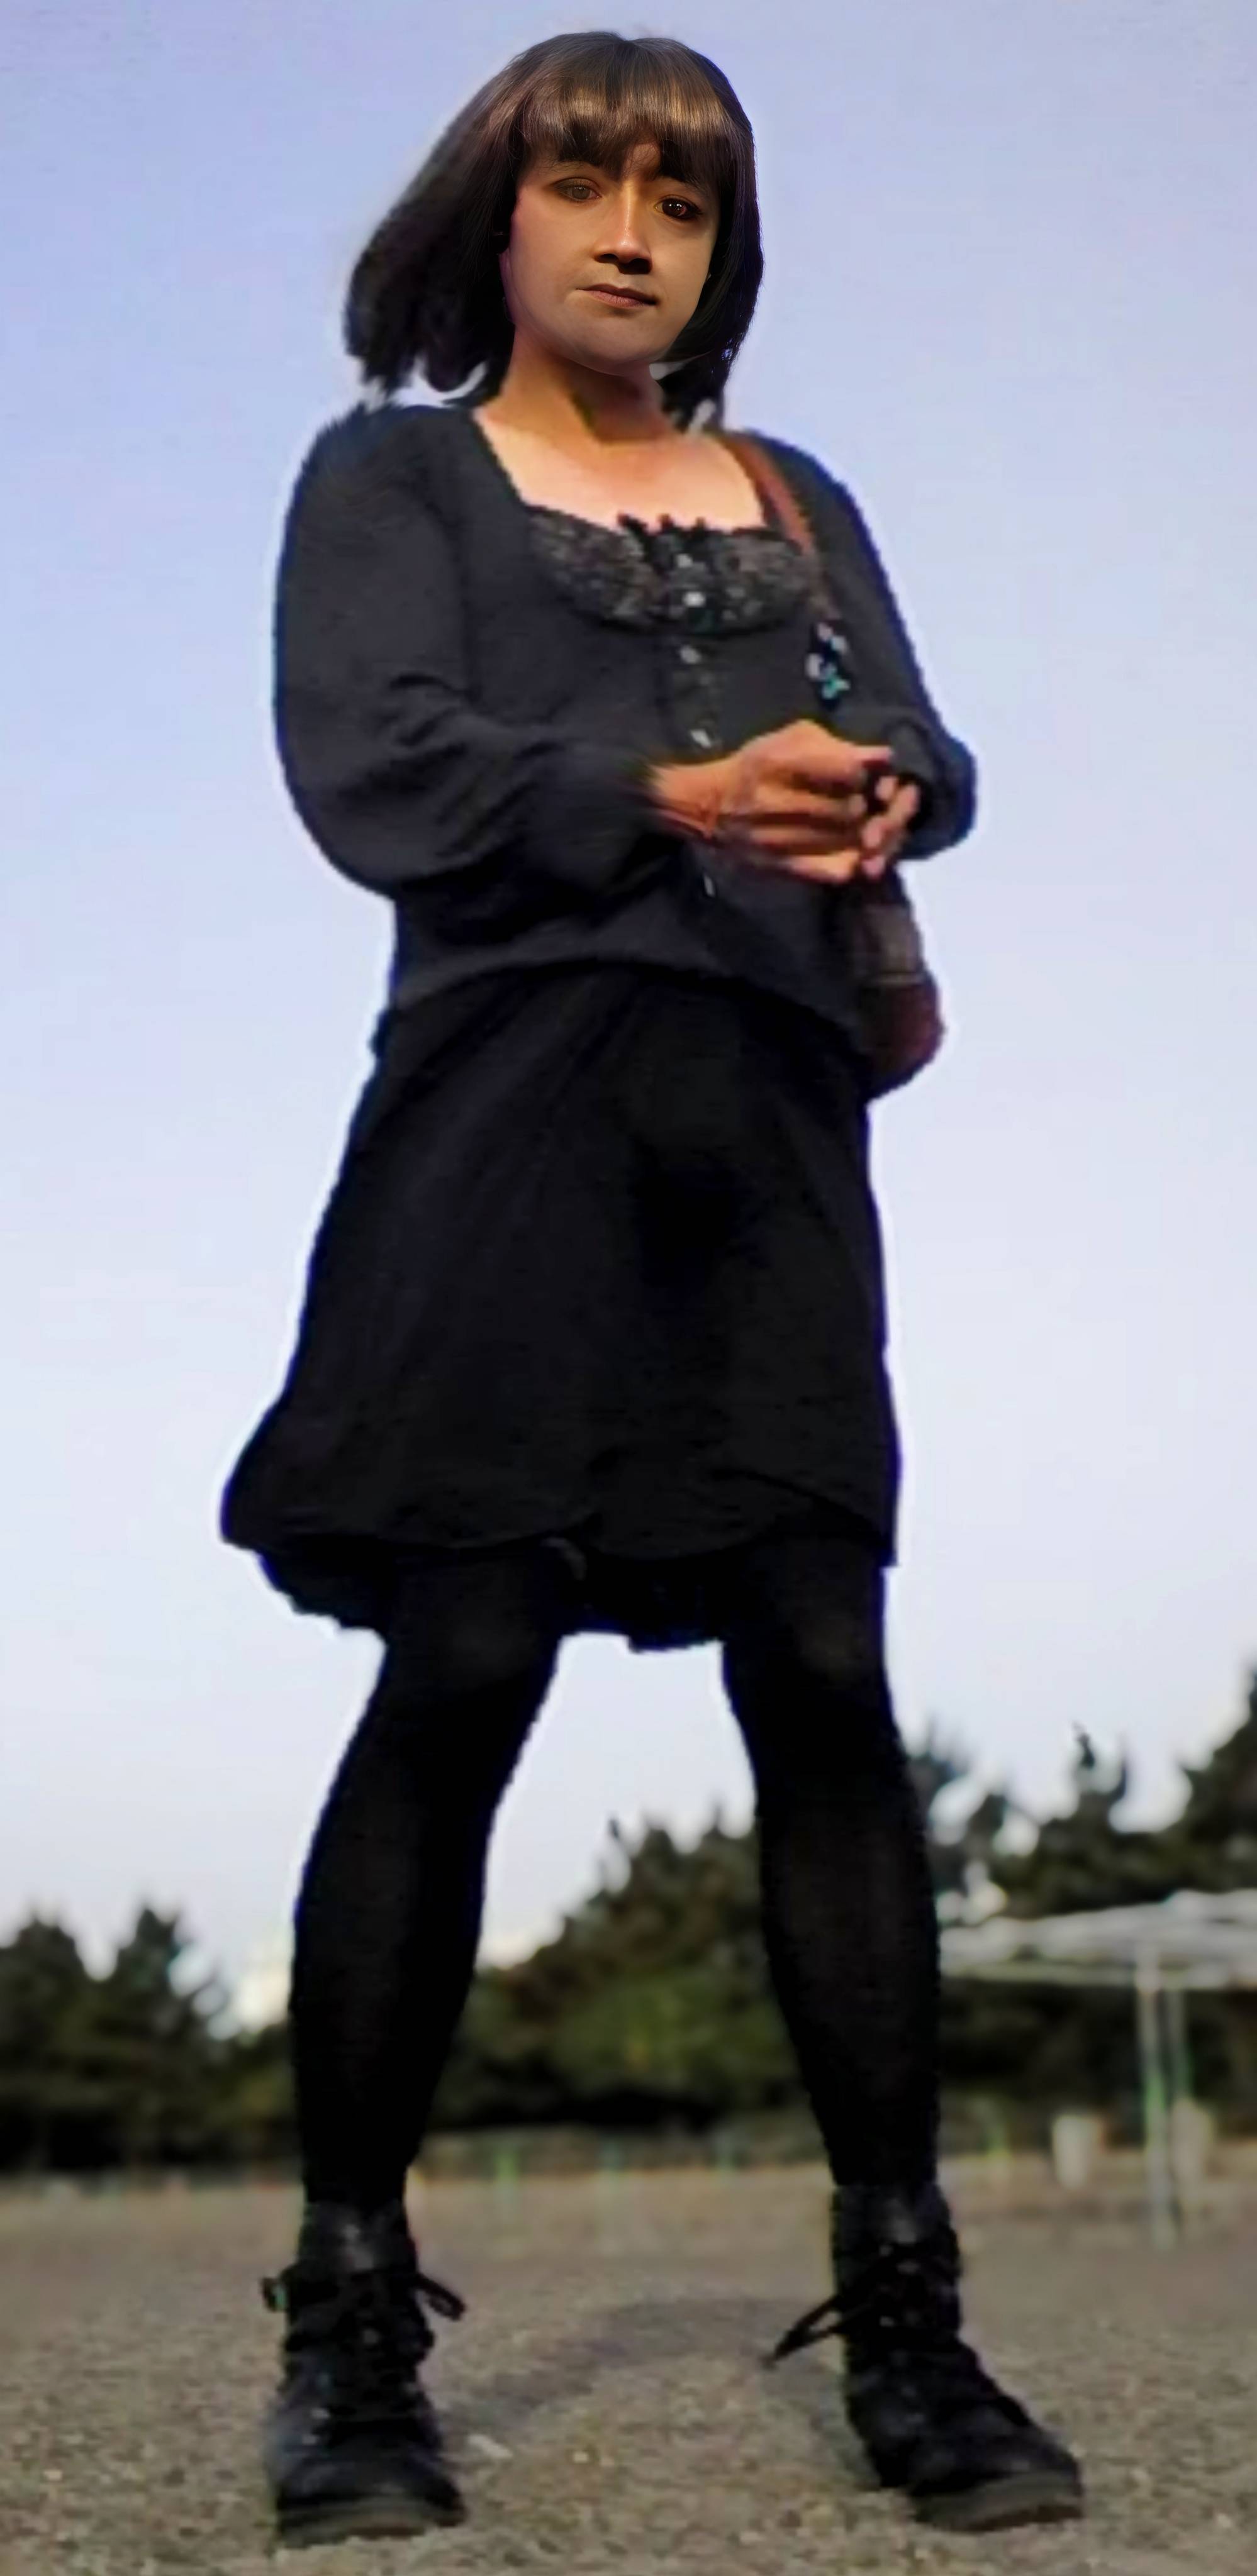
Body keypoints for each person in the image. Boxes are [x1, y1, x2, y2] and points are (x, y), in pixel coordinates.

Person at [220, 28, 1085, 2551]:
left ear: (723, 249)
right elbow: (371, 761)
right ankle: (349, 2331)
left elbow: (920, 733)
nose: (631, 235)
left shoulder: (795, 494)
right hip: (507, 1100)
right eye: (586, 186)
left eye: (681, 205)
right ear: (494, 218)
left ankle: (910, 2321)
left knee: (822, 1664)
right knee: (464, 1653)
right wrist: (669, 791)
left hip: (768, 1123)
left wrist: (878, 788)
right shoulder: (391, 478)